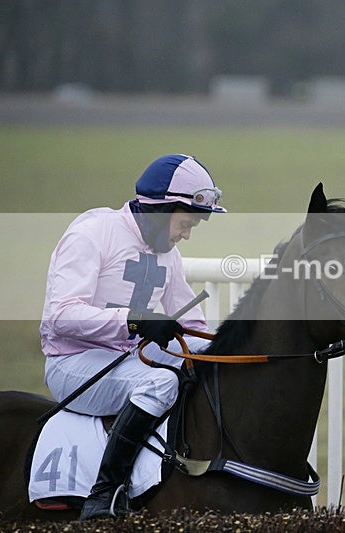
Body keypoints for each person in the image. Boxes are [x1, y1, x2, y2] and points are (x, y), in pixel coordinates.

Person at [39, 154, 226, 520]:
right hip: (73, 363)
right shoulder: (92, 234)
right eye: (185, 224)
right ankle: (104, 493)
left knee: (209, 360)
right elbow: (60, 315)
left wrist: (232, 346)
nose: (186, 235)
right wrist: (135, 322)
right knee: (160, 384)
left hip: (127, 360)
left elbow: (196, 329)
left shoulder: (166, 255)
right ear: (160, 209)